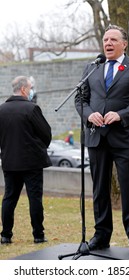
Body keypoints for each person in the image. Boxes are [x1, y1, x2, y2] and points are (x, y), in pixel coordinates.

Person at [75, 25, 129, 256]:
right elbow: (81, 99)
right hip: (96, 137)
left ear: (124, 44)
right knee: (99, 188)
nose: (107, 43)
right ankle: (101, 234)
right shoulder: (92, 67)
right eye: (105, 39)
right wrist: (89, 114)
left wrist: (121, 115)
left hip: (124, 137)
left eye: (113, 39)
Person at [0, 76, 52, 244]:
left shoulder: (1, 110)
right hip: (32, 162)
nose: (30, 91)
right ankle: (38, 235)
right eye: (29, 88)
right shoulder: (32, 109)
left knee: (9, 198)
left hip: (10, 161)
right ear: (23, 89)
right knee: (34, 198)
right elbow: (46, 133)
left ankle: (6, 235)